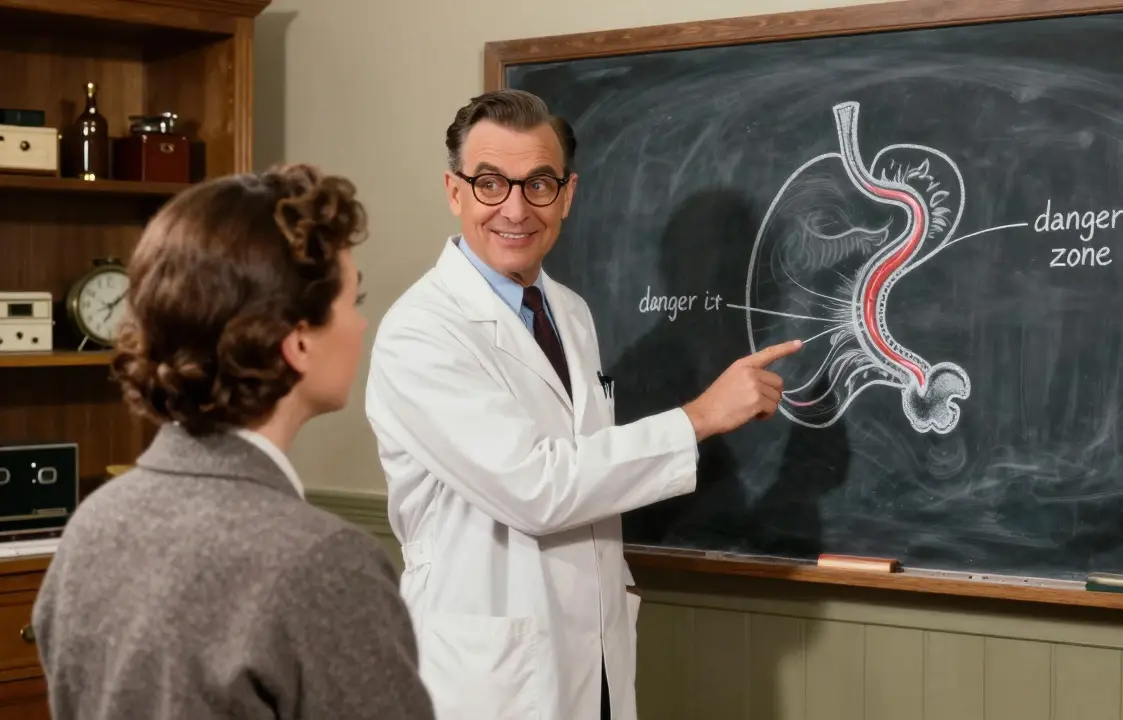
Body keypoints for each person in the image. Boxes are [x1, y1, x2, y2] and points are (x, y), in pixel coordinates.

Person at [364, 89, 801, 720]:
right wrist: (700, 417)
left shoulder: (568, 310)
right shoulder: (422, 332)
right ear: (454, 192)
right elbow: (536, 488)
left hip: (589, 658)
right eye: (490, 183)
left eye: (538, 183)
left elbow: (586, 469)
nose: (515, 208)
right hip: (489, 680)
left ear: (567, 195)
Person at [32, 164, 436, 720]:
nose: (362, 325)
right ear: (297, 340)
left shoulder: (92, 526)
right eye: (353, 298)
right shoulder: (324, 564)